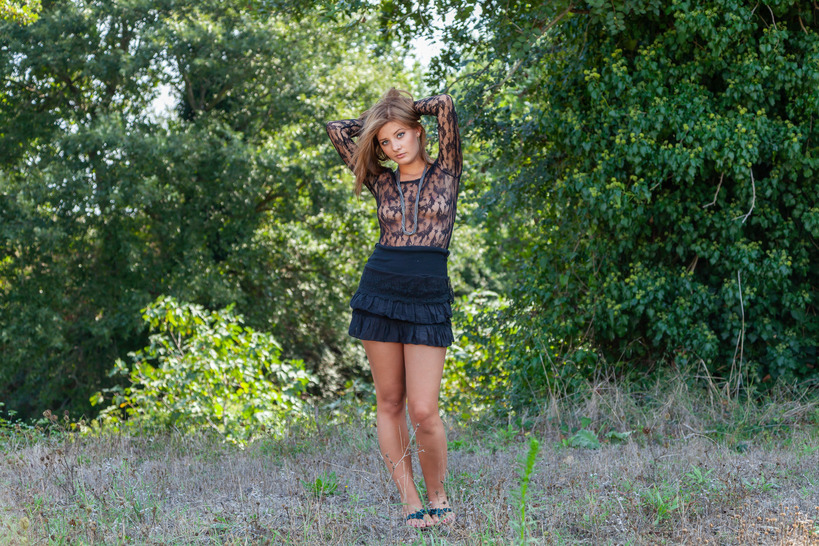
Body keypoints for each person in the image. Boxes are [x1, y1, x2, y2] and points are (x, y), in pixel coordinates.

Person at [325, 88, 462, 529]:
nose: (394, 146)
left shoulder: (447, 170)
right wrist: (381, 119)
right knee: (388, 401)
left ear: (419, 132)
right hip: (380, 290)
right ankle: (410, 499)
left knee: (423, 409)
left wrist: (401, 110)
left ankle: (438, 496)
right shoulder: (380, 180)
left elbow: (444, 105)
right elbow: (336, 130)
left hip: (428, 297)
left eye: (401, 134)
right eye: (385, 141)